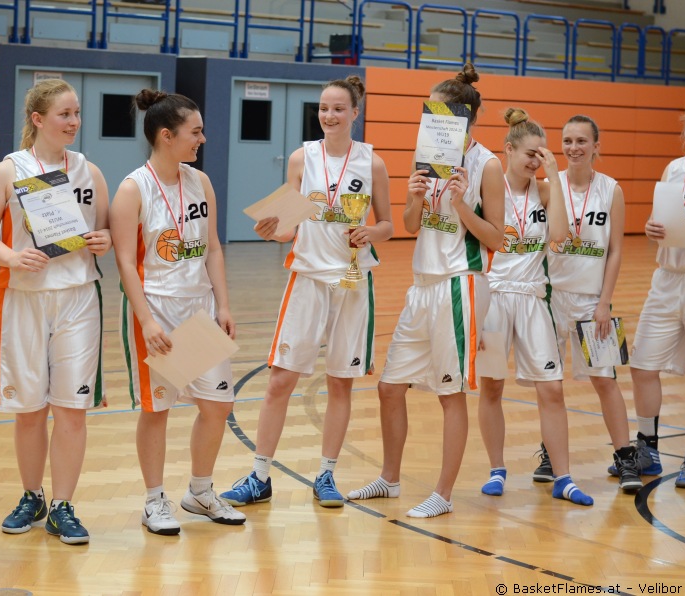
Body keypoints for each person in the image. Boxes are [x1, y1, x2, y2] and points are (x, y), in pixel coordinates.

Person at [219, 75, 393, 509]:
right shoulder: (302, 158)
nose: (329, 116)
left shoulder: (372, 163)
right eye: (323, 108)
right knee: (281, 380)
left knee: (340, 383)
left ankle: (327, 475)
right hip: (308, 279)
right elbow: (289, 226)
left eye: (338, 109)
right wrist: (271, 230)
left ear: (355, 113)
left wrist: (371, 232)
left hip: (353, 282)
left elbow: (388, 225)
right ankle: (260, 476)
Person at [347, 64, 504, 518]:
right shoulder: (428, 157)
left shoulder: (487, 165)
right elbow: (411, 225)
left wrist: (461, 204)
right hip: (422, 286)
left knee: (449, 393)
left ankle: (443, 494)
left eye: (437, 110)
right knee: (389, 388)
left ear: (461, 116)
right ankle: (390, 479)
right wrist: (414, 195)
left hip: (461, 284)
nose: (430, 117)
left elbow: (497, 238)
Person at [0, 79, 109, 544]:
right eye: (64, 114)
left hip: (78, 298)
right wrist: (10, 257)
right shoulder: (8, 171)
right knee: (29, 410)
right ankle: (32, 495)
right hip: (23, 298)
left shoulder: (89, 171)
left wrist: (104, 240)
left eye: (76, 113)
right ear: (37, 119)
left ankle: (64, 505)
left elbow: (105, 231)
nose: (74, 122)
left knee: (72, 409)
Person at [110, 89, 245, 535]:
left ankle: (200, 492)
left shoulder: (200, 181)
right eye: (195, 132)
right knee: (158, 409)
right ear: (166, 136)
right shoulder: (133, 189)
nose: (202, 139)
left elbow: (213, 248)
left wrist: (223, 304)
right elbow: (125, 262)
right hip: (158, 310)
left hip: (200, 309)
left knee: (218, 405)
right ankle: (154, 501)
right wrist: (146, 320)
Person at [476, 108, 593, 506]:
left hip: (532, 299)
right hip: (493, 298)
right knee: (492, 386)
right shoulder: (488, 190)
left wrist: (554, 176)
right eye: (529, 154)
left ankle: (563, 477)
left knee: (552, 389)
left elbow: (559, 235)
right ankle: (496, 469)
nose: (535, 161)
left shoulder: (543, 191)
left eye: (541, 155)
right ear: (508, 150)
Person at [536, 114, 641, 492]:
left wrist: (605, 302)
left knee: (605, 380)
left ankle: (625, 456)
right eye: (567, 141)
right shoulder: (548, 186)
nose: (573, 148)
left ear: (596, 146)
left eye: (582, 141)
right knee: (549, 382)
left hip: (591, 301)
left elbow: (615, 251)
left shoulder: (611, 189)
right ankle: (551, 453)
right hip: (549, 298)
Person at [626, 95, 685, 489]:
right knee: (641, 365)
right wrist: (652, 226)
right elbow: (664, 218)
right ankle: (647, 448)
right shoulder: (674, 169)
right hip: (667, 277)